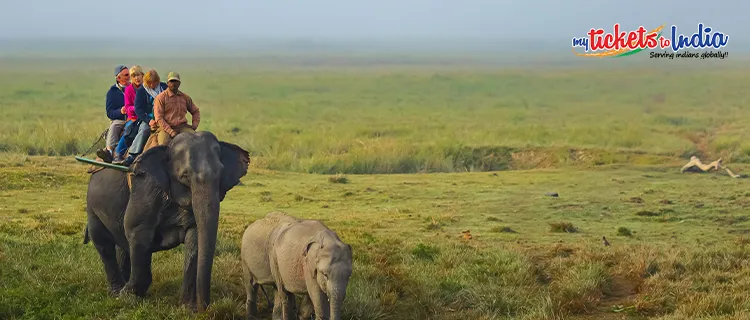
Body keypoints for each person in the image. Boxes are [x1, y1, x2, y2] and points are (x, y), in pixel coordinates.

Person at [114, 69, 167, 166]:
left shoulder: (164, 88)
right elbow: (138, 109)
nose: (152, 85)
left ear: (157, 81)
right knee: (143, 130)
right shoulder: (142, 91)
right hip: (149, 119)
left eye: (154, 83)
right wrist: (149, 120)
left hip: (165, 118)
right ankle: (132, 155)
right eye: (149, 83)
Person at [153, 72, 200, 146]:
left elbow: (195, 111)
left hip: (182, 127)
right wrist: (170, 131)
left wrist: (194, 125)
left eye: (176, 81)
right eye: (171, 81)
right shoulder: (160, 98)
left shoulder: (185, 97)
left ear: (179, 83)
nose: (173, 83)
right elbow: (159, 118)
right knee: (163, 145)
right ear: (167, 83)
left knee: (197, 142)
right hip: (165, 129)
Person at [96, 65, 130, 163]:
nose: (129, 77)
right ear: (118, 78)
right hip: (120, 120)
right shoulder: (112, 93)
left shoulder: (134, 89)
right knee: (115, 125)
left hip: (134, 118)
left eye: (129, 74)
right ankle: (109, 152)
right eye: (126, 75)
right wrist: (120, 111)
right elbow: (110, 113)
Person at [113, 65, 144, 162]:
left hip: (145, 117)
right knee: (128, 130)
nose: (137, 78)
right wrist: (137, 109)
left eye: (138, 75)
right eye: (134, 76)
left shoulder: (146, 88)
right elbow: (127, 107)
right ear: (131, 78)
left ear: (142, 75)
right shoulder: (129, 89)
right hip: (133, 117)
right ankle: (118, 153)